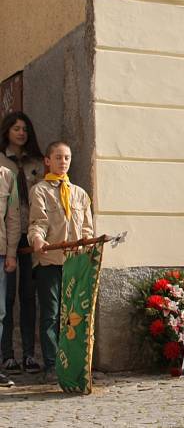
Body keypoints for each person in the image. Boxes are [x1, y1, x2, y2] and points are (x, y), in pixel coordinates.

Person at [29, 142, 94, 382]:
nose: (63, 161)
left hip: (75, 264)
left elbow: (86, 228)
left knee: (74, 314)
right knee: (52, 314)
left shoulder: (80, 193)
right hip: (50, 261)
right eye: (58, 157)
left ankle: (74, 362)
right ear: (47, 160)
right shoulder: (40, 190)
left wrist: (88, 246)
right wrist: (37, 240)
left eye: (67, 157)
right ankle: (51, 364)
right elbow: (38, 222)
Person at [0, 112, 44, 376]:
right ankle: (7, 356)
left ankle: (29, 354)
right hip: (6, 238)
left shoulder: (37, 162)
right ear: (6, 131)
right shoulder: (2, 163)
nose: (21, 133)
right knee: (6, 298)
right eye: (16, 128)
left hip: (32, 234)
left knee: (29, 295)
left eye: (25, 129)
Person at [0, 151, 21, 387]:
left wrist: (12, 253)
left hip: (0, 253)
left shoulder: (7, 177)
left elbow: (13, 218)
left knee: (0, 312)